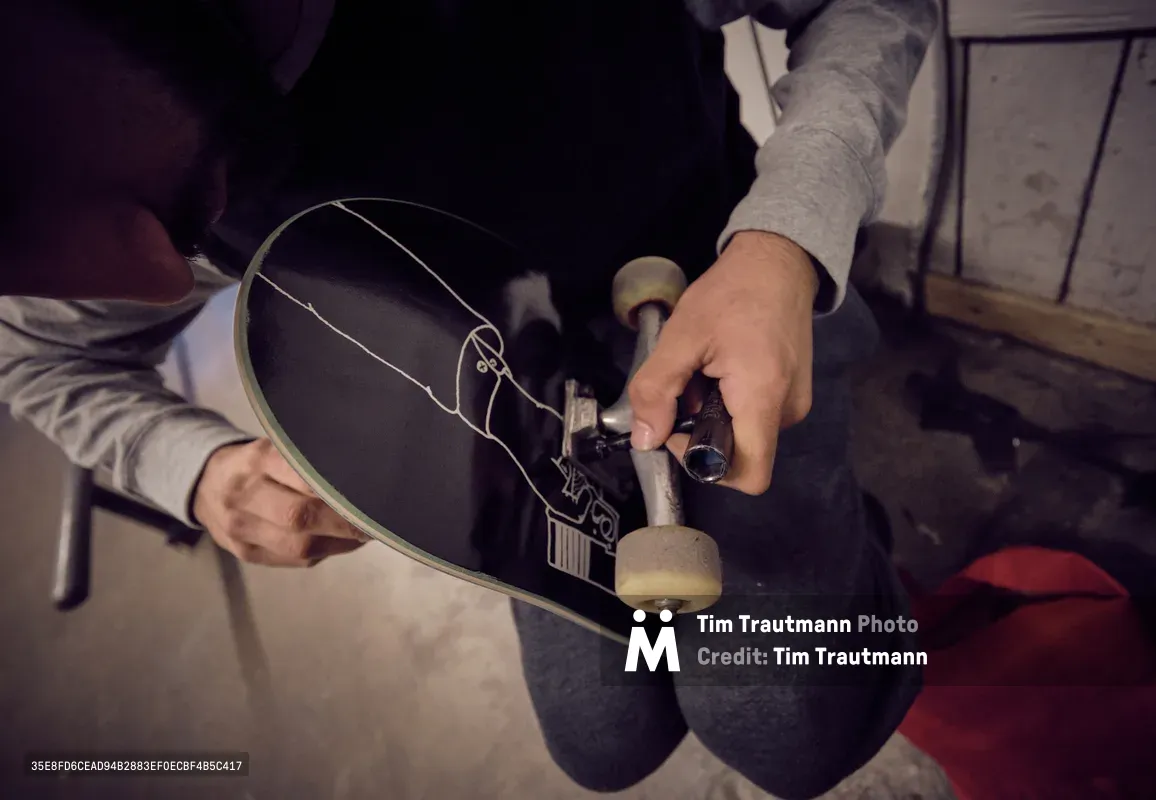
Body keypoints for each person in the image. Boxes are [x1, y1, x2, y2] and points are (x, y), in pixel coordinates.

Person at [0, 1, 937, 797]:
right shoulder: (107, 146)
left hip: (709, 286)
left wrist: (784, 242)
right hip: (514, 416)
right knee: (599, 744)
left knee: (787, 732)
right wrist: (195, 469)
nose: (169, 285)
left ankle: (857, 553)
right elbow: (39, 360)